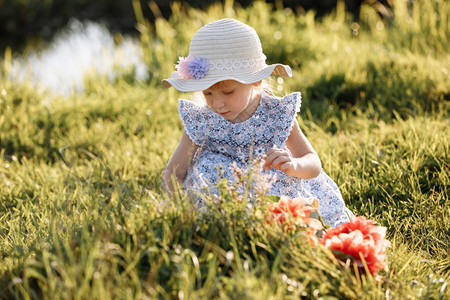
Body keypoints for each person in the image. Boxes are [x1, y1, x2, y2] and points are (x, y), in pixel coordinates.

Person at [161, 18, 353, 227]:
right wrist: (178, 209)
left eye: (228, 92)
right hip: (220, 203)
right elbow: (174, 172)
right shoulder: (202, 121)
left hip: (272, 193)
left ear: (256, 80)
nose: (217, 103)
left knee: (293, 219)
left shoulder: (275, 114)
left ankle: (279, 227)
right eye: (207, 93)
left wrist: (294, 166)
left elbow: (313, 162)